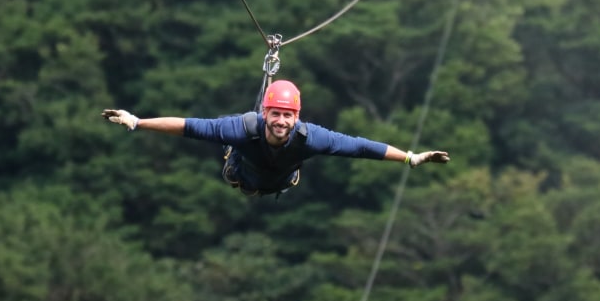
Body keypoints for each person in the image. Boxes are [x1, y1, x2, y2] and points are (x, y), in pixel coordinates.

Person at [102, 79, 449, 197]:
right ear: (266, 113)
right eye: (276, 114)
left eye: (288, 116)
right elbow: (188, 126)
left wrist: (409, 157)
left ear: (296, 117)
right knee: (231, 143)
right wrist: (138, 121)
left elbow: (360, 147)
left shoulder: (310, 138)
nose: (282, 121)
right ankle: (236, 161)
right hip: (243, 175)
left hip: (280, 179)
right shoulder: (241, 128)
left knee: (280, 165)